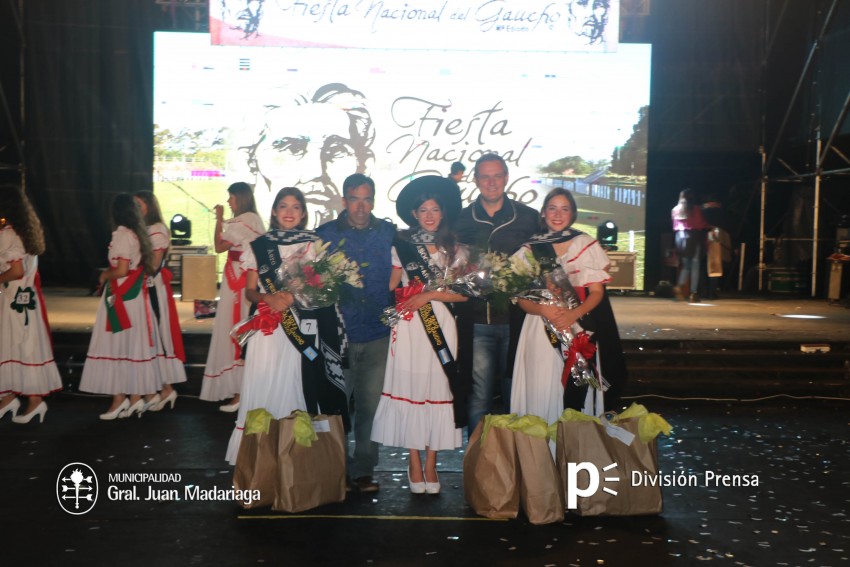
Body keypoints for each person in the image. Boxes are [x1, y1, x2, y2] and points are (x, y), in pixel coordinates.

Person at [224, 187, 349, 464]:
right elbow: (250, 292)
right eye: (283, 206)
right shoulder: (258, 245)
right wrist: (268, 296)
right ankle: (258, 458)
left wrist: (296, 296)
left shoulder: (313, 245)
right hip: (268, 329)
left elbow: (325, 289)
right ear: (274, 211)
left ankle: (296, 460)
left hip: (302, 329)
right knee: (264, 383)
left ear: (303, 213)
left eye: (295, 207)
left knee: (297, 386)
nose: (289, 212)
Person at [371, 176, 468, 495]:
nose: (429, 215)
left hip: (441, 322)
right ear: (414, 213)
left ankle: (431, 463)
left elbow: (464, 295)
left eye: (435, 209)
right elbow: (391, 285)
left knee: (436, 386)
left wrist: (428, 295)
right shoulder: (402, 246)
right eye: (423, 209)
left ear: (443, 212)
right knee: (411, 386)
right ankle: (414, 460)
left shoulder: (456, 248)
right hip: (411, 324)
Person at [511, 188, 629, 423]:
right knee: (541, 385)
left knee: (575, 389)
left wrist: (574, 314)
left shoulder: (584, 243)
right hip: (539, 329)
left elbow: (596, 293)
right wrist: (543, 310)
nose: (558, 214)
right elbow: (521, 299)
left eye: (564, 209)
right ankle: (542, 451)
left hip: (578, 327)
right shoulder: (530, 249)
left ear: (573, 213)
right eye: (552, 208)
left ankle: (572, 448)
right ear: (543, 213)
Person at [316, 173, 396, 493]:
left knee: (369, 409)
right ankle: (335, 469)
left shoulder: (390, 233)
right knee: (336, 409)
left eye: (366, 199)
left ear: (373, 200)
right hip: (339, 335)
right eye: (354, 199)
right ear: (344, 200)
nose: (360, 206)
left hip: (377, 333)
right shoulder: (324, 235)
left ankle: (363, 471)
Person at [454, 153, 539, 434]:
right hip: (477, 321)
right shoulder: (462, 219)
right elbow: (451, 267)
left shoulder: (528, 217)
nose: (491, 182)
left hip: (519, 320)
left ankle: (515, 461)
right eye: (485, 176)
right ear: (476, 180)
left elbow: (544, 261)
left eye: (497, 176)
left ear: (506, 177)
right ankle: (479, 464)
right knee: (479, 397)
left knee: (516, 392)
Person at [242, 83, 375, 227]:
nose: (315, 172)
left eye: (336, 151)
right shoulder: (257, 247)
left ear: (365, 165)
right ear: (252, 165)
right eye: (292, 148)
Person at [79, 193, 163, 419]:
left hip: (122, 295)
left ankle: (119, 399)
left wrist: (104, 275)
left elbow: (122, 269)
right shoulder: (139, 234)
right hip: (135, 295)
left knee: (116, 344)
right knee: (131, 345)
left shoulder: (121, 234)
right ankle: (134, 396)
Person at [0, 184, 63, 424]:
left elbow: (16, 271)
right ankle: (9, 398)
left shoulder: (10, 234)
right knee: (18, 345)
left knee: (21, 345)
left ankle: (35, 400)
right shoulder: (27, 231)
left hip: (15, 298)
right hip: (25, 298)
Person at [200, 182, 265, 412]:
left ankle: (240, 392)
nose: (228, 202)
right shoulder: (252, 219)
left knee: (236, 327)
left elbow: (219, 246)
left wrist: (219, 218)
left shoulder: (245, 219)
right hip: (237, 276)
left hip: (240, 279)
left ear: (240, 197)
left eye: (231, 197)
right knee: (235, 327)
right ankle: (238, 390)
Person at [133, 191, 187, 411]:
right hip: (143, 288)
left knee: (159, 336)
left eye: (140, 204)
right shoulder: (141, 229)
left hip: (152, 288)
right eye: (134, 204)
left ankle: (165, 387)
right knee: (150, 339)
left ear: (150, 206)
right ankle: (159, 389)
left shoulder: (157, 229)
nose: (137, 208)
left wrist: (129, 271)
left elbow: (153, 266)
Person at [671, 188, 710, 302]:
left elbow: (674, 225)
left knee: (686, 265)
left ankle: (680, 286)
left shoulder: (675, 209)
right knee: (695, 265)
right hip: (693, 237)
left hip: (680, 238)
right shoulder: (696, 209)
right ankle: (693, 293)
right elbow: (701, 224)